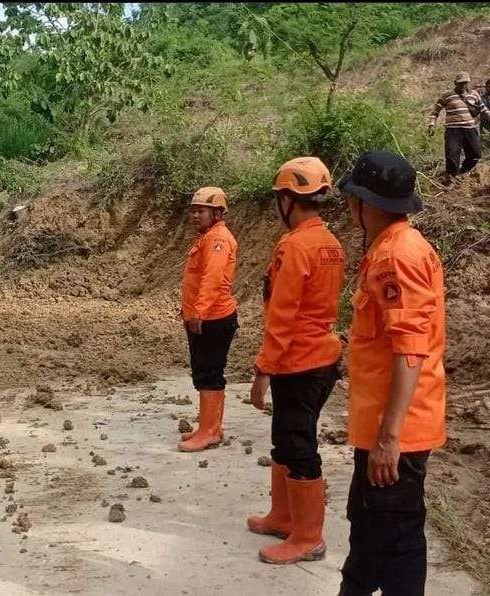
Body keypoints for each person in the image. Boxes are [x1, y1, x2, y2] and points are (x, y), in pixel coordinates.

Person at [336, 151, 446, 596]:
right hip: (384, 427)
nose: (348, 207)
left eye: (353, 199)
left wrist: (388, 439)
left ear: (371, 204)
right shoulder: (391, 248)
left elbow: (410, 351)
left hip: (396, 433)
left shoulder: (397, 257)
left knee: (394, 546)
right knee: (370, 538)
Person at [247, 157, 345, 565]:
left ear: (288, 199)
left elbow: (282, 314)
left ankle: (308, 537)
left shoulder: (294, 246)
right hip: (321, 358)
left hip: (299, 362)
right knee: (286, 438)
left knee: (297, 443)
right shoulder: (331, 244)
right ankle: (284, 516)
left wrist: (262, 371)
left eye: (278, 199)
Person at [178, 187, 239, 452]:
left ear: (217, 213)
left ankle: (209, 431)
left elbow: (212, 279)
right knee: (206, 372)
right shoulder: (208, 237)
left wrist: (198, 312)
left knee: (209, 373)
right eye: (193, 211)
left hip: (212, 318)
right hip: (206, 316)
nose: (195, 216)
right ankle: (210, 426)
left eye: (200, 211)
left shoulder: (218, 240)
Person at [427, 71, 490, 178]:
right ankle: (451, 177)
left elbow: (484, 109)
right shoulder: (447, 95)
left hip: (470, 129)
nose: (463, 85)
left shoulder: (474, 94)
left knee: (475, 154)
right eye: (461, 83)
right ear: (455, 83)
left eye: (465, 83)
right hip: (453, 130)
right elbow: (435, 111)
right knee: (452, 155)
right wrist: (431, 124)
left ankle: (462, 172)